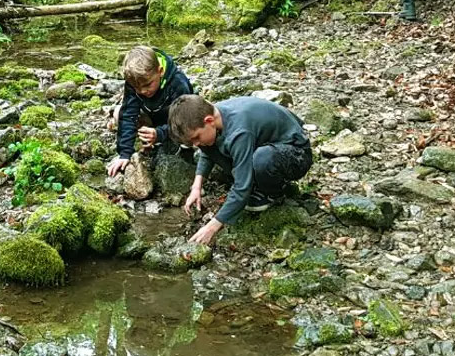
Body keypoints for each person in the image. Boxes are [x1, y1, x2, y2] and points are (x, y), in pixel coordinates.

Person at [169, 94, 312, 246]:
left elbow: (241, 188)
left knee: (261, 160)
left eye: (196, 137)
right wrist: (196, 187)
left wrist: (212, 226)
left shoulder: (239, 131)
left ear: (209, 121)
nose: (196, 144)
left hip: (297, 154)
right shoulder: (212, 115)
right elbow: (206, 153)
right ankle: (257, 180)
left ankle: (273, 194)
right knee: (210, 144)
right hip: (263, 143)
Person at [106, 46, 193, 178]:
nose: (143, 91)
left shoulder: (177, 83)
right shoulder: (134, 82)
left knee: (189, 131)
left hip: (177, 120)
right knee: (119, 113)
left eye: (147, 85)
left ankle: (166, 142)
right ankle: (151, 143)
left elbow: (186, 120)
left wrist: (160, 133)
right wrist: (124, 154)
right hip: (151, 118)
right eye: (137, 88)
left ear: (160, 71)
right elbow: (129, 115)